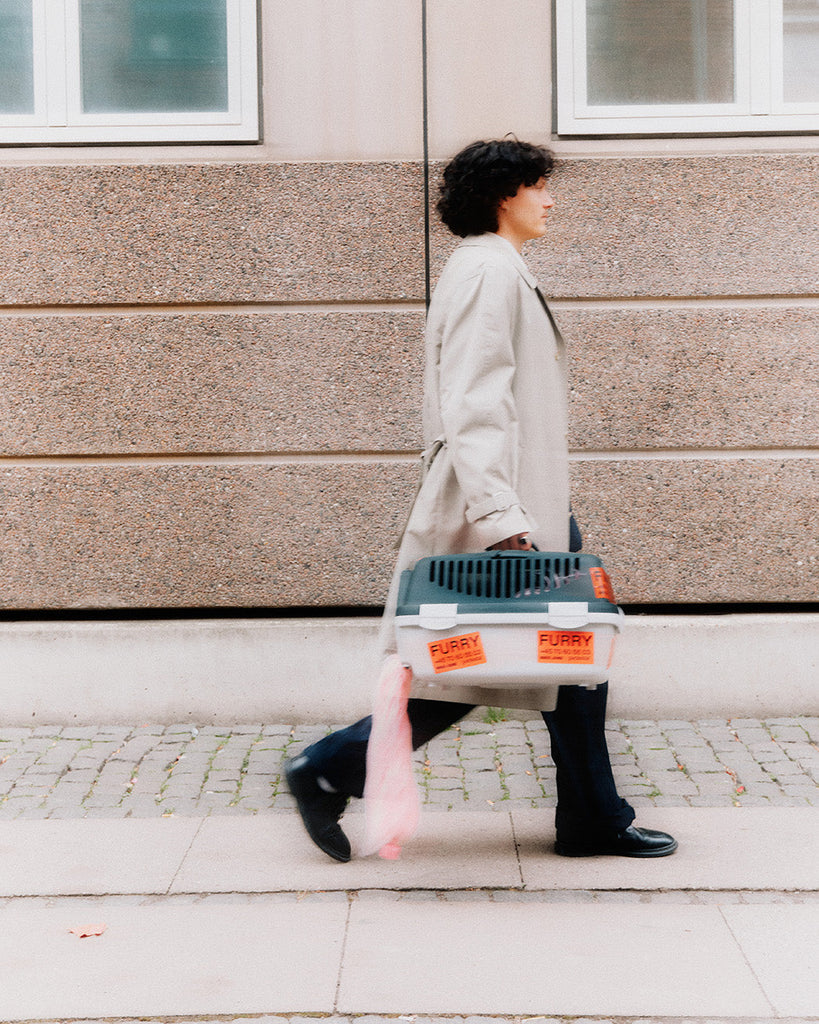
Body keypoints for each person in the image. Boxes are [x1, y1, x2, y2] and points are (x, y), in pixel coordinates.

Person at [285, 138, 677, 863]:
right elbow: (473, 402)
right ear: (505, 194)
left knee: (546, 658)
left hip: (518, 498)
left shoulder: (494, 268)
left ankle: (589, 815)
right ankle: (329, 767)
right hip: (501, 503)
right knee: (498, 657)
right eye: (539, 186)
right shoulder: (486, 271)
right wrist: (503, 521)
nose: (550, 199)